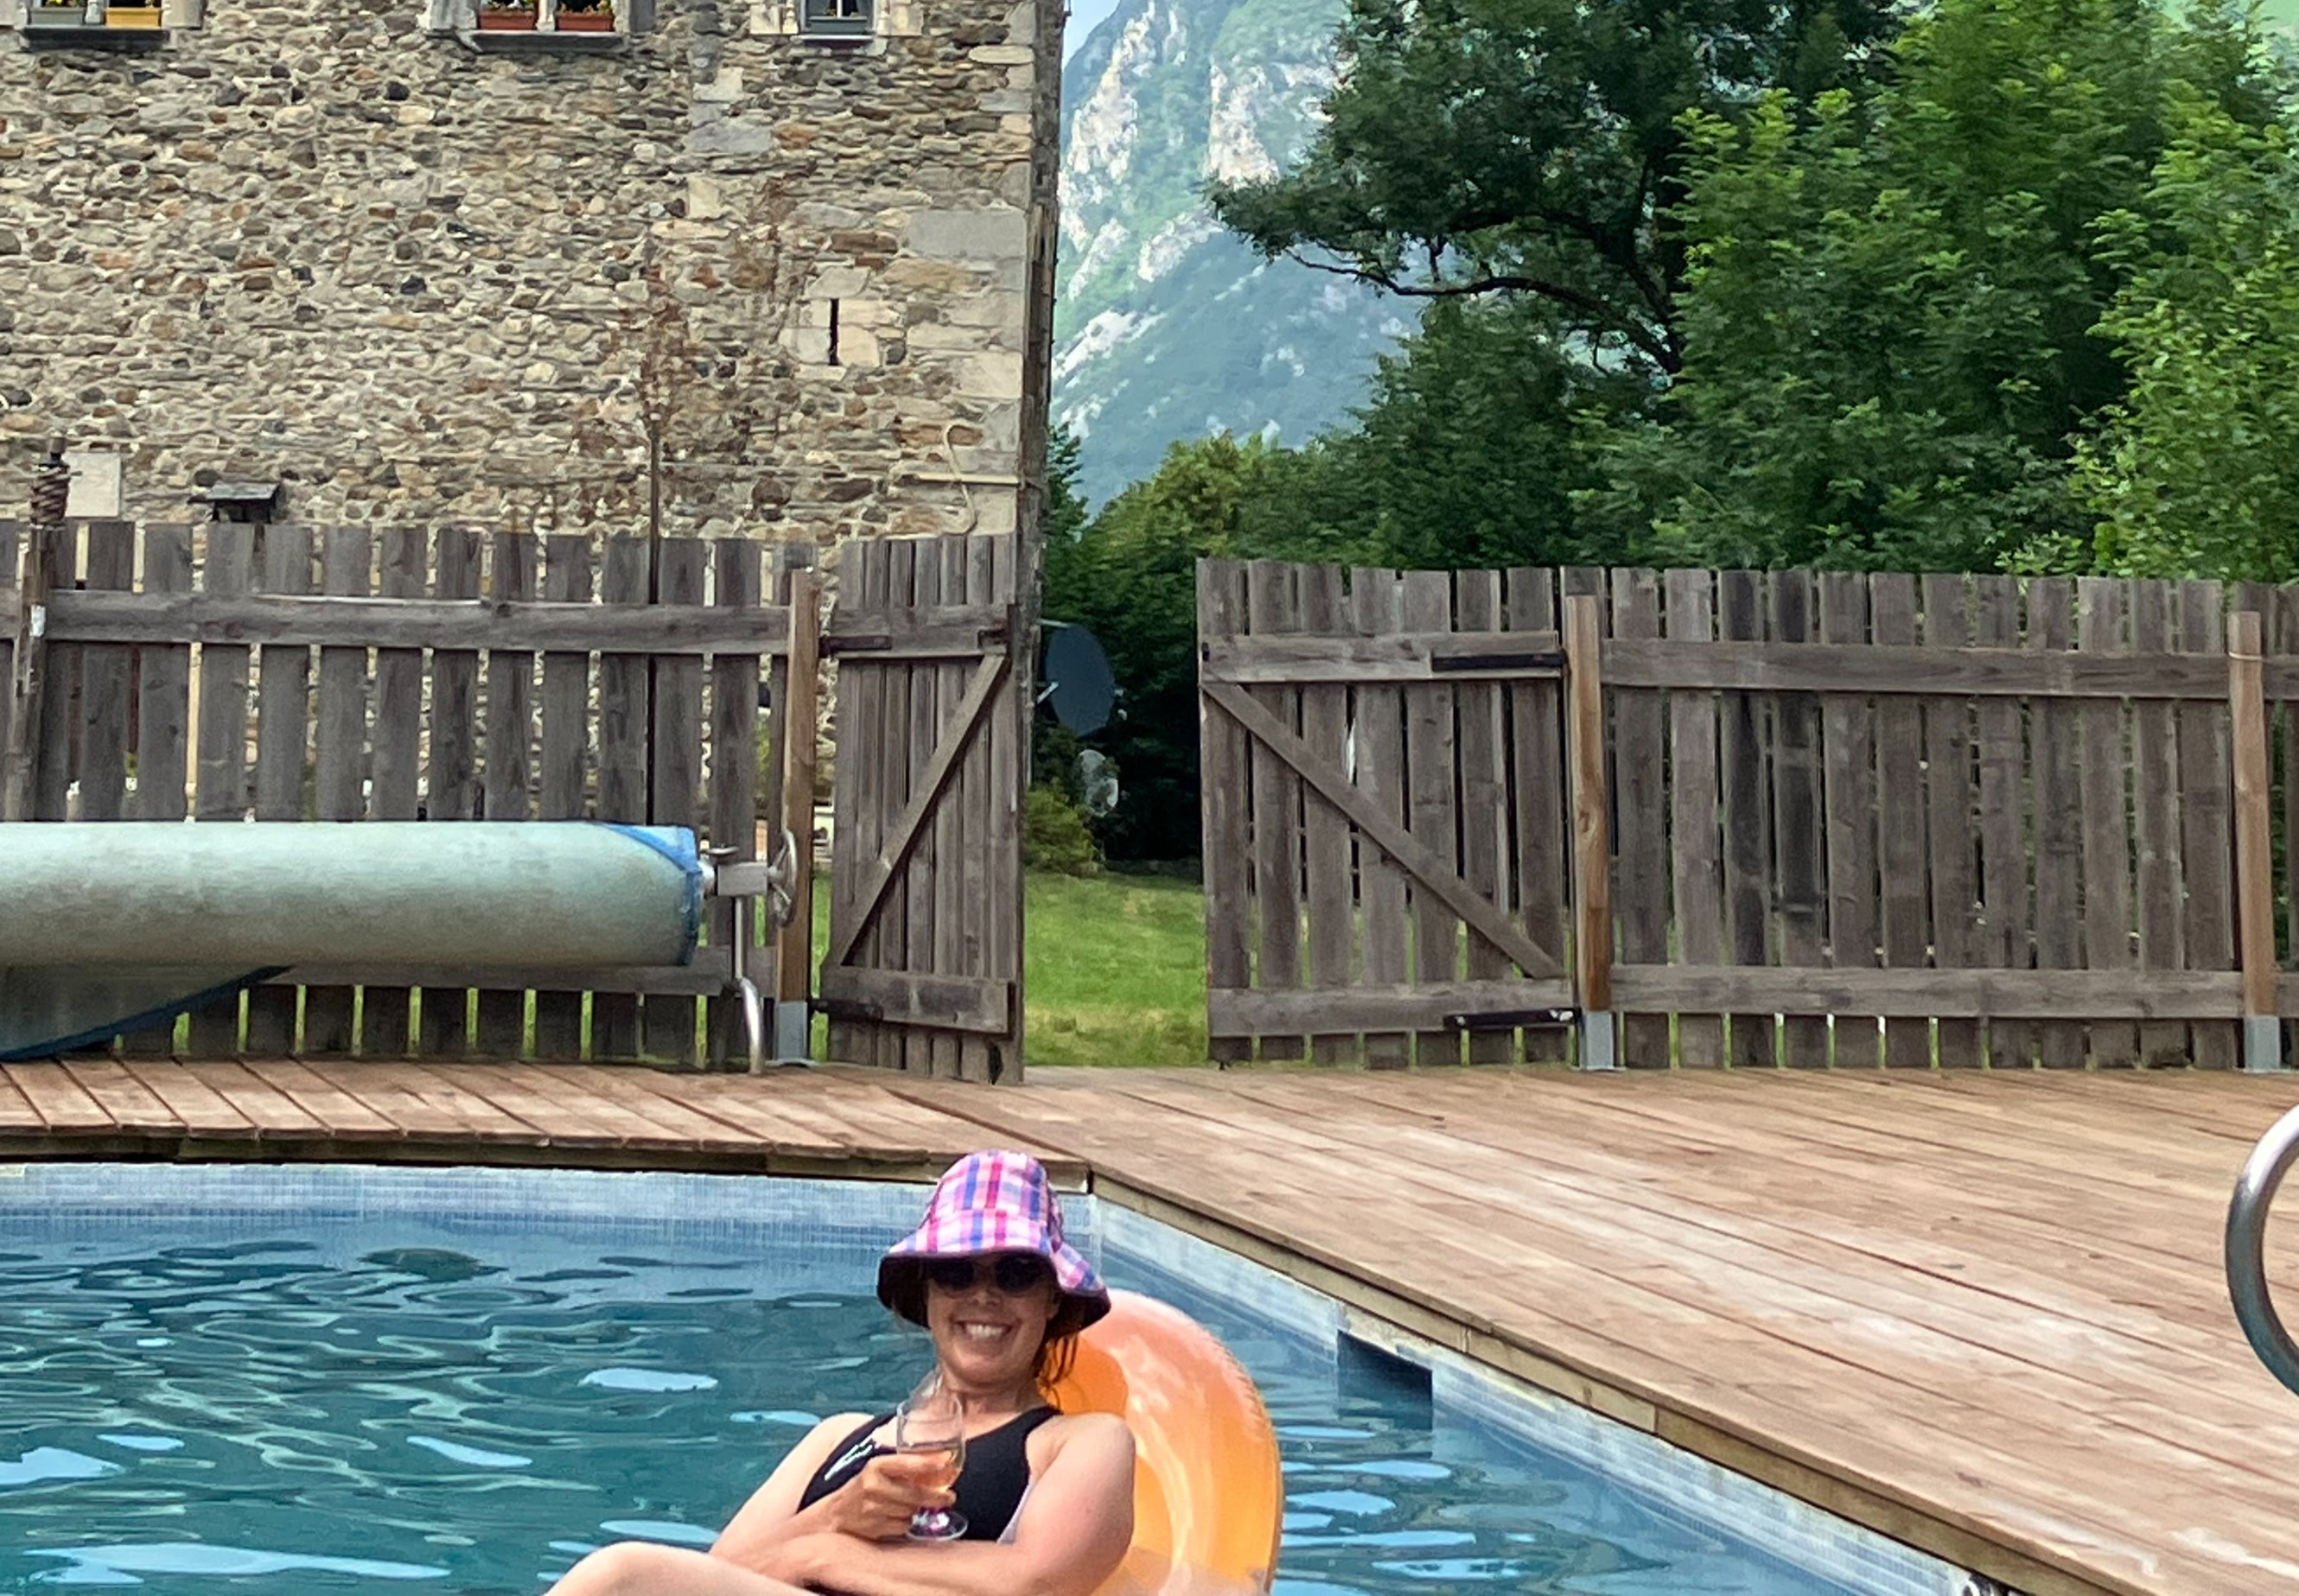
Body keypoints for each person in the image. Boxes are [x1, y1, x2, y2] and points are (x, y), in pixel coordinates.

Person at [543, 1150, 1137, 1596]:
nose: (983, 1296)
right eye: (957, 1272)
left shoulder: (1080, 1440)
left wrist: (823, 1555)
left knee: (621, 1576)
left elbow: (1038, 1583)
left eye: (1015, 1273)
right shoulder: (839, 1436)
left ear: (1052, 1298)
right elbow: (714, 1575)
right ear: (928, 1290)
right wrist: (835, 1514)